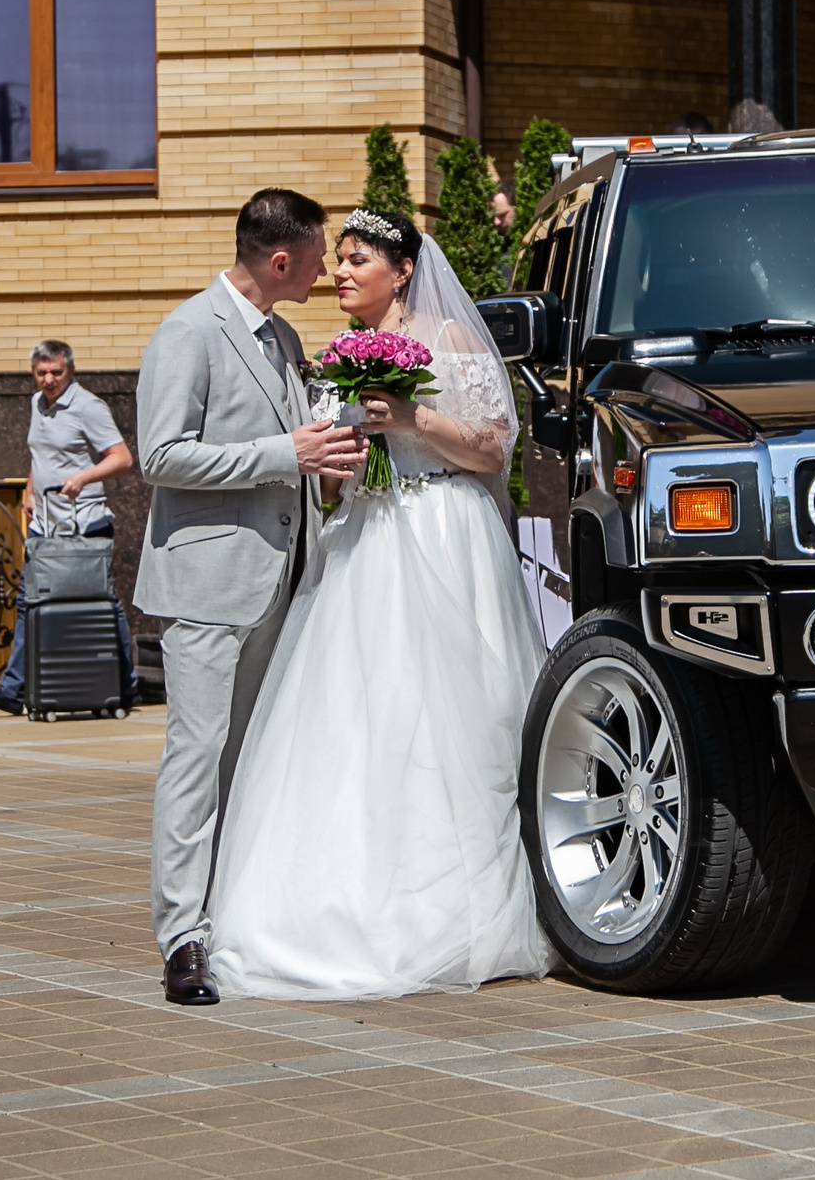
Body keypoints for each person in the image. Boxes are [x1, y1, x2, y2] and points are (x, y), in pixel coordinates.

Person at [204, 207, 556, 1000]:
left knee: (454, 717)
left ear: (401, 271)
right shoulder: (332, 362)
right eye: (340, 260)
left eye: (358, 259)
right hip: (364, 542)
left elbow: (494, 449)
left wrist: (411, 417)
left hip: (443, 533)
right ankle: (341, 903)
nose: (341, 273)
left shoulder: (449, 340)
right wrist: (335, 464)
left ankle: (464, 912)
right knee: (357, 715)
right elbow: (331, 476)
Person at [136, 190, 366, 1007]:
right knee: (196, 761)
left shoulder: (286, 337)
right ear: (281, 259)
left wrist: (328, 475)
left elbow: (294, 457)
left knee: (251, 759)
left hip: (279, 577)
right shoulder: (188, 331)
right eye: (318, 258)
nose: (327, 269)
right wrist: (284, 451)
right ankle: (182, 940)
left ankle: (231, 916)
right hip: (207, 583)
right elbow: (160, 457)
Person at [0, 340, 137, 714]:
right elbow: (41, 455)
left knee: (103, 602)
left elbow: (122, 458)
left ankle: (126, 687)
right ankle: (15, 688)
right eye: (41, 372)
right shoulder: (37, 404)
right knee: (29, 599)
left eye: (56, 373)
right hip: (45, 525)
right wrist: (30, 491)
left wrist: (83, 477)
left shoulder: (88, 407)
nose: (48, 380)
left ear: (71, 372)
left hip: (85, 524)